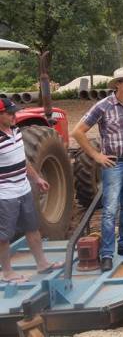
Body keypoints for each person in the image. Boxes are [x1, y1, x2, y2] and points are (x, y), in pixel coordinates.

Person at [72, 67, 123, 271]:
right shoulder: (103, 106)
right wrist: (96, 156)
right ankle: (107, 254)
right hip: (114, 164)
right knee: (109, 210)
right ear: (117, 84)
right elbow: (78, 132)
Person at [0, 98, 63, 283]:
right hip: (5, 194)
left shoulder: (16, 132)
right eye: (10, 113)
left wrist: (37, 178)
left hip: (24, 189)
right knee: (4, 236)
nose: (14, 116)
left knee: (32, 228)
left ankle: (42, 264)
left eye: (14, 112)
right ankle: (7, 273)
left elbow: (23, 161)